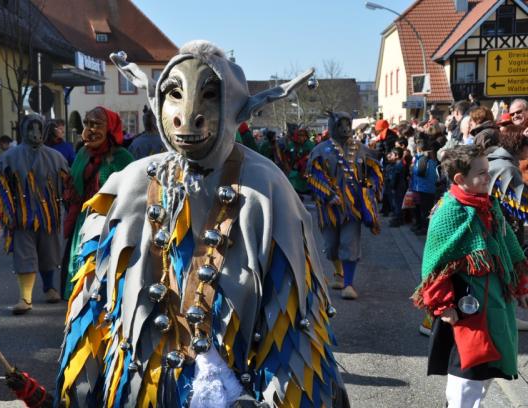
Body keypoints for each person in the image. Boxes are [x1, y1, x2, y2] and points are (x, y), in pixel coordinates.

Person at [56, 40, 347, 407]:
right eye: (174, 94)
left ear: (233, 105)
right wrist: (77, 393)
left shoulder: (267, 189)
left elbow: (291, 328)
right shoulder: (128, 184)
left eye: (210, 95)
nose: (188, 113)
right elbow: (93, 302)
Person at [413, 145, 528, 408]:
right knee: (467, 374)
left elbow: (509, 248)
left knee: (489, 368)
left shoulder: (489, 205)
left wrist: (521, 285)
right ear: (460, 179)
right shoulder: (449, 210)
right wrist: (442, 304)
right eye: (482, 173)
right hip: (467, 308)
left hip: (497, 302)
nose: (489, 177)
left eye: (487, 170)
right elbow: (435, 265)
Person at [0, 114, 69, 314]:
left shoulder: (56, 157)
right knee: (24, 256)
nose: (35, 134)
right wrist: (8, 214)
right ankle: (25, 296)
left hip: (49, 218)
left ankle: (50, 287)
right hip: (21, 218)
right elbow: (2, 188)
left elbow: (67, 186)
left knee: (49, 254)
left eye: (38, 129)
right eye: (30, 129)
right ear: (23, 130)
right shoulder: (9, 157)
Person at [307, 111, 383, 299]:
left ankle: (349, 284)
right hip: (329, 210)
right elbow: (313, 175)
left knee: (349, 244)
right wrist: (328, 194)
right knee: (331, 246)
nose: (345, 129)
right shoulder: (320, 150)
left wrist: (369, 189)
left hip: (353, 208)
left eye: (347, 124)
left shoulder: (362, 149)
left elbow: (373, 172)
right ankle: (339, 274)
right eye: (340, 125)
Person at [61, 106, 133, 299]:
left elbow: (132, 191)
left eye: (95, 124)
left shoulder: (122, 158)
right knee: (81, 268)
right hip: (84, 222)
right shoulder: (83, 154)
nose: (88, 131)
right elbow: (73, 188)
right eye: (86, 124)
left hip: (111, 224)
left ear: (110, 127)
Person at [487, 125, 528, 331]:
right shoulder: (507, 167)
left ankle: (507, 315)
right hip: (502, 227)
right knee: (506, 270)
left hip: (495, 225)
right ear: (519, 146)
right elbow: (522, 204)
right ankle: (506, 317)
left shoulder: (495, 160)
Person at [410, 133, 438, 235]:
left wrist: (412, 167)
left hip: (424, 189)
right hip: (425, 188)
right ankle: (420, 226)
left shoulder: (423, 159)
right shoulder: (429, 158)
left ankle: (424, 229)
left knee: (424, 211)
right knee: (421, 209)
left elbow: (419, 172)